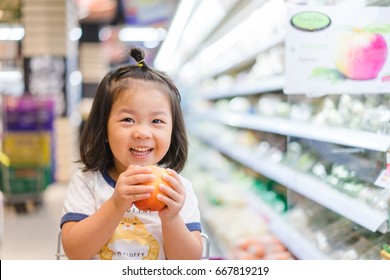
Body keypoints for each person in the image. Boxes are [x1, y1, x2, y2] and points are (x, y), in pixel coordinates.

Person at [60, 47, 203, 260]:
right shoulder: (88, 183)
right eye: (128, 120)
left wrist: (172, 218)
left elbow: (189, 263)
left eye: (157, 121)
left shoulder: (177, 190)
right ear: (104, 129)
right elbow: (75, 252)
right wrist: (116, 204)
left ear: (173, 131)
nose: (142, 133)